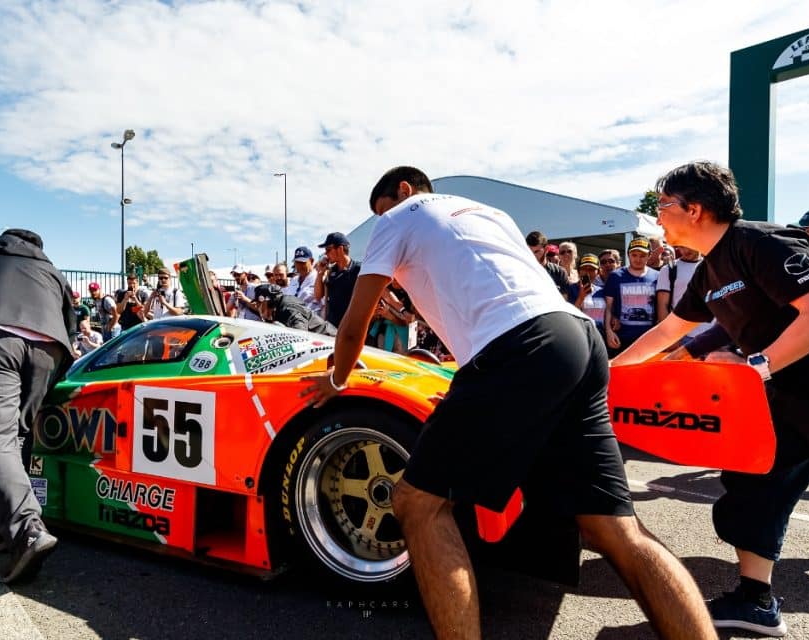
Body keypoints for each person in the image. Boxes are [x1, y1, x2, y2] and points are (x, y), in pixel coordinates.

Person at [301, 166, 715, 640]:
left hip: (518, 347)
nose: (380, 222)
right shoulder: (489, 213)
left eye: (380, 211)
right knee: (615, 529)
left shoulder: (399, 216)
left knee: (417, 504)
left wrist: (336, 379)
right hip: (576, 336)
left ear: (403, 191)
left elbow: (356, 321)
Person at [612, 161, 809, 637]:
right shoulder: (709, 268)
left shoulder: (765, 243)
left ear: (694, 209)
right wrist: (608, 375)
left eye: (664, 207)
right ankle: (755, 601)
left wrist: (756, 367)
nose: (658, 218)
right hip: (789, 393)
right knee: (754, 486)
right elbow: (670, 331)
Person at [0, 228, 75, 583]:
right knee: (17, 436)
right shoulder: (51, 271)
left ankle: (27, 532)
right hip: (48, 349)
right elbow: (71, 321)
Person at [603, 238, 659, 356]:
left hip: (648, 340)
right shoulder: (616, 276)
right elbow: (608, 307)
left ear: (649, 255)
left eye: (642, 255)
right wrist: (608, 331)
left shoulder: (657, 276)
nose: (638, 259)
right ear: (628, 255)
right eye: (634, 255)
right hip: (621, 339)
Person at [314, 232, 361, 327]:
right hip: (332, 326)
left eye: (328, 250)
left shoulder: (359, 269)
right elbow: (318, 296)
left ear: (340, 249)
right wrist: (320, 274)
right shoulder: (331, 271)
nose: (326, 254)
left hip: (352, 326)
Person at [252, 283, 336, 335]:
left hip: (330, 341)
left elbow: (300, 335)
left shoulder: (289, 309)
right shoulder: (278, 310)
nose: (257, 306)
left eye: (258, 303)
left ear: (267, 301)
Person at [524, 230, 569, 296]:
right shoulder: (523, 272)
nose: (533, 255)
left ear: (546, 249)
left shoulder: (559, 272)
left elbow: (564, 300)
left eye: (536, 251)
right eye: (530, 252)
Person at [285, 246, 321, 316]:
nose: (299, 266)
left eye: (302, 262)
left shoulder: (318, 278)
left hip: (311, 322)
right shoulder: (294, 280)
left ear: (312, 261)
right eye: (297, 262)